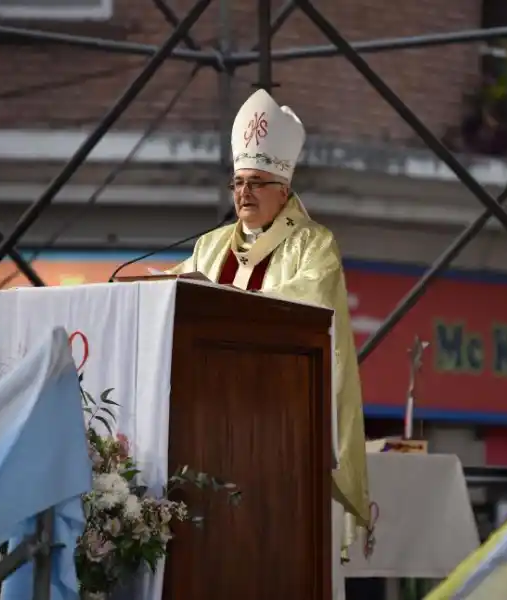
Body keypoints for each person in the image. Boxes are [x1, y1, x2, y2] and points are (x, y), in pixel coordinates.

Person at [166, 89, 370, 599]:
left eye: (257, 183)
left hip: (282, 421)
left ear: (283, 189)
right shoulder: (210, 246)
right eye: (238, 183)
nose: (244, 194)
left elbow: (310, 303)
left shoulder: (314, 244)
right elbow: (177, 294)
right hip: (210, 417)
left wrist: (224, 301)